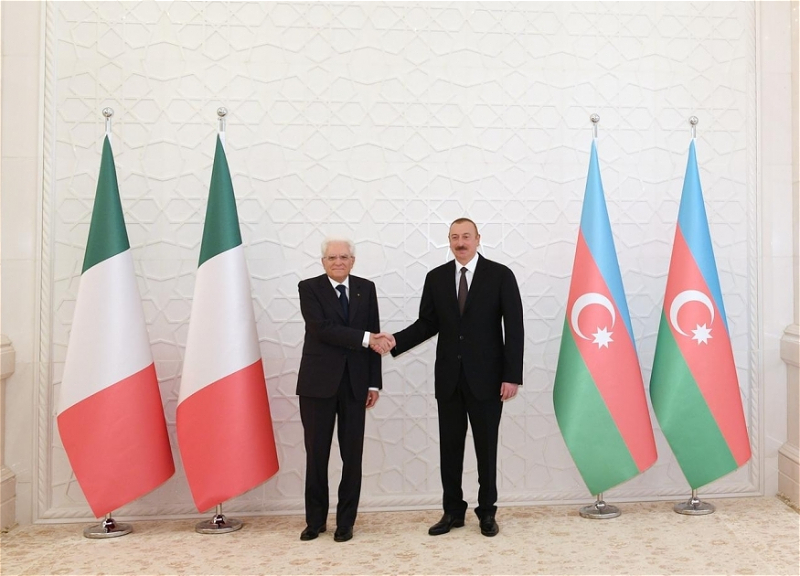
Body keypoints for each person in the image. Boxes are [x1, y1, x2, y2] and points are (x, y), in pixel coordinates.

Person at [380, 218, 524, 537]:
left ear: (478, 239)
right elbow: (427, 323)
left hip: (488, 380)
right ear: (449, 241)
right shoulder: (436, 277)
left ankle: (487, 512)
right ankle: (452, 512)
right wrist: (394, 341)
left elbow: (514, 328)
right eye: (455, 237)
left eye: (466, 236)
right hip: (448, 379)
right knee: (450, 449)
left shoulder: (500, 275)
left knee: (486, 449)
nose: (461, 242)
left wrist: (512, 375)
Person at [296, 237, 393, 542]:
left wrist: (374, 383)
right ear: (323, 262)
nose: (338, 262)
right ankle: (315, 522)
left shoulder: (367, 288)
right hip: (317, 386)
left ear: (353, 260)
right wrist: (366, 338)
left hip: (355, 384)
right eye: (332, 257)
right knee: (316, 455)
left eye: (343, 257)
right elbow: (321, 329)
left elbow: (374, 333)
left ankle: (346, 522)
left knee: (353, 456)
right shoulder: (309, 288)